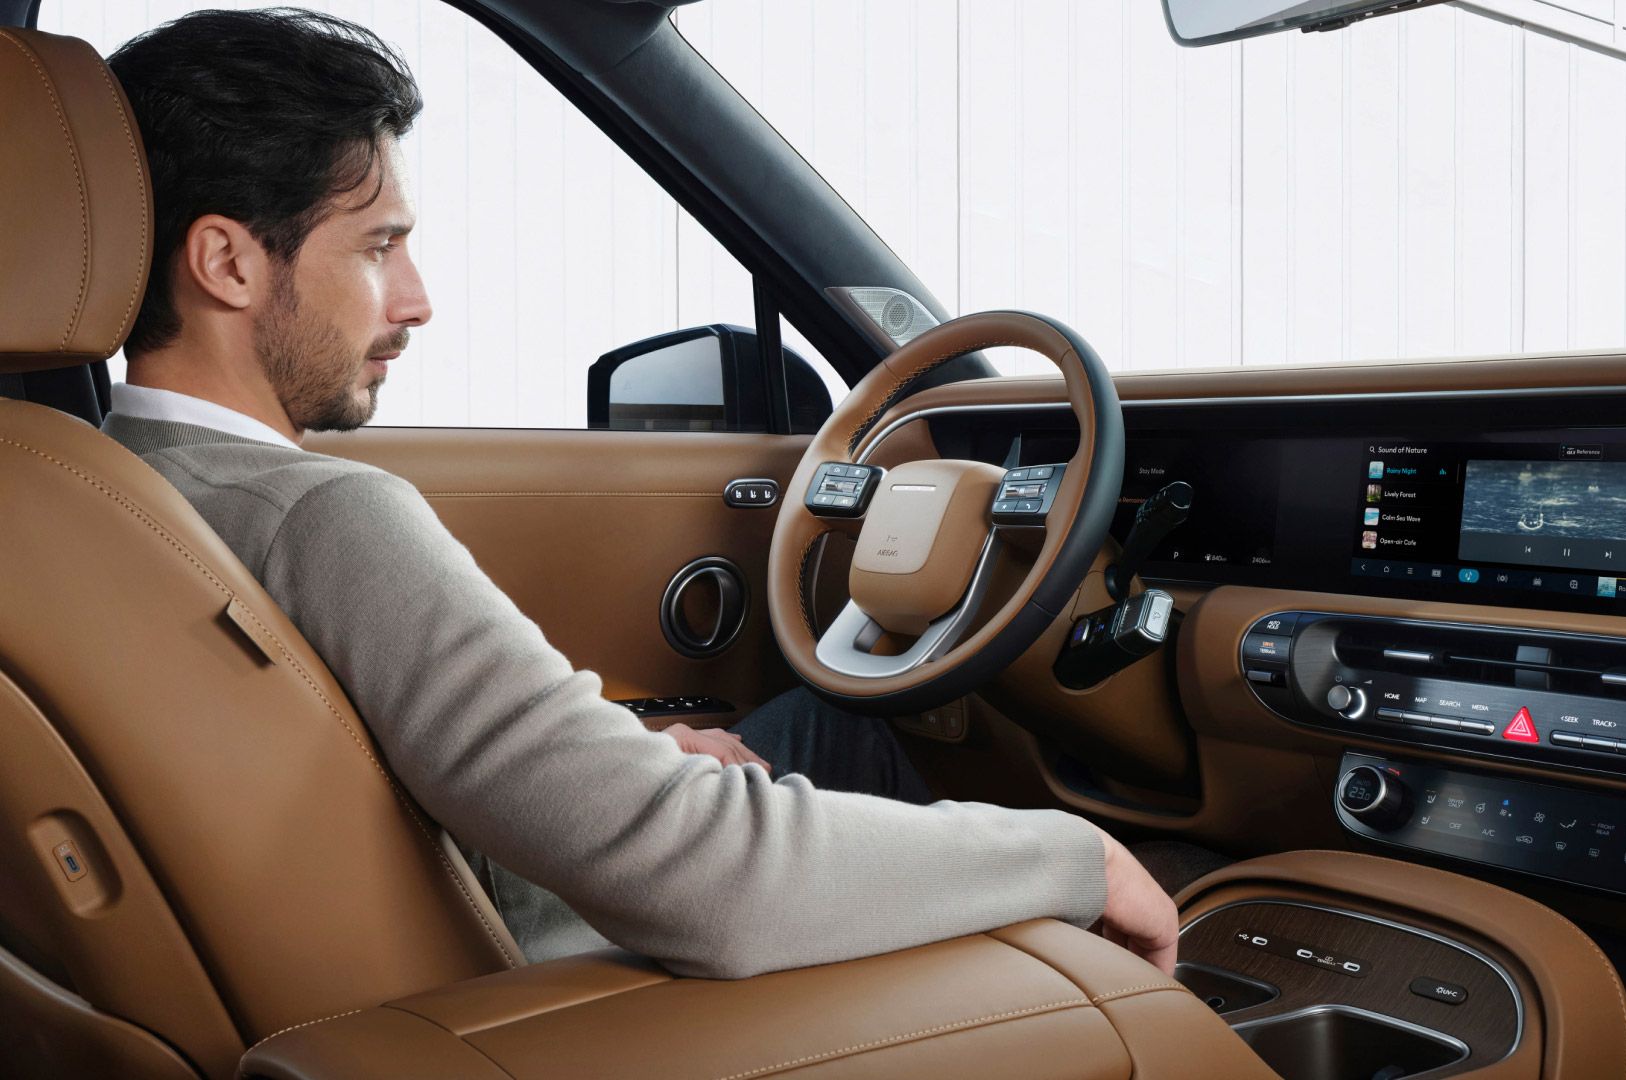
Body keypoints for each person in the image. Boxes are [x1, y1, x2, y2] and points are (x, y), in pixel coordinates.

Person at [98, 7, 1177, 978]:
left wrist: (617, 769)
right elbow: (713, 884)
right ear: (228, 265)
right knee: (868, 746)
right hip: (560, 989)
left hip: (458, 912)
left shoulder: (92, 498)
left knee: (828, 728)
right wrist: (1074, 856)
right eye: (380, 247)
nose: (417, 303)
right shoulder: (319, 516)